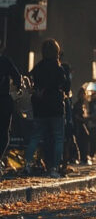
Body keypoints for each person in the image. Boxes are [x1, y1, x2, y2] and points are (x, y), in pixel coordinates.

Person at [25, 39, 71, 177]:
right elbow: (66, 86)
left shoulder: (38, 67)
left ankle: (27, 165)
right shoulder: (59, 68)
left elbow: (29, 78)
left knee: (35, 136)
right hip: (55, 107)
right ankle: (54, 169)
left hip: (40, 107)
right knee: (58, 138)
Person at [0, 47, 23, 163]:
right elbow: (17, 76)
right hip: (3, 99)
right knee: (3, 132)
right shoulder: (5, 61)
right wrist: (18, 87)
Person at [72, 88, 91, 165]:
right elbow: (76, 115)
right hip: (79, 125)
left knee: (84, 140)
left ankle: (83, 157)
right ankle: (82, 158)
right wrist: (82, 119)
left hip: (81, 124)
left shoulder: (82, 104)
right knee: (81, 141)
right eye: (82, 94)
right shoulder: (77, 104)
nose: (84, 96)